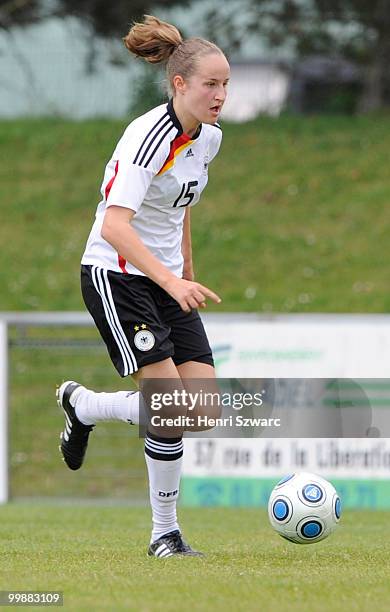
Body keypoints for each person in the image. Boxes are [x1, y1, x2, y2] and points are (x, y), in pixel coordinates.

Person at [56, 14, 230, 558]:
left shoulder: (209, 140)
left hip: (165, 280)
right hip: (117, 275)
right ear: (180, 83)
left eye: (226, 84)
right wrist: (169, 279)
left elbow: (181, 212)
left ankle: (83, 407)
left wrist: (186, 271)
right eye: (211, 84)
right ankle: (164, 534)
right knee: (168, 405)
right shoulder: (147, 136)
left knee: (198, 410)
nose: (220, 94)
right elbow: (114, 224)